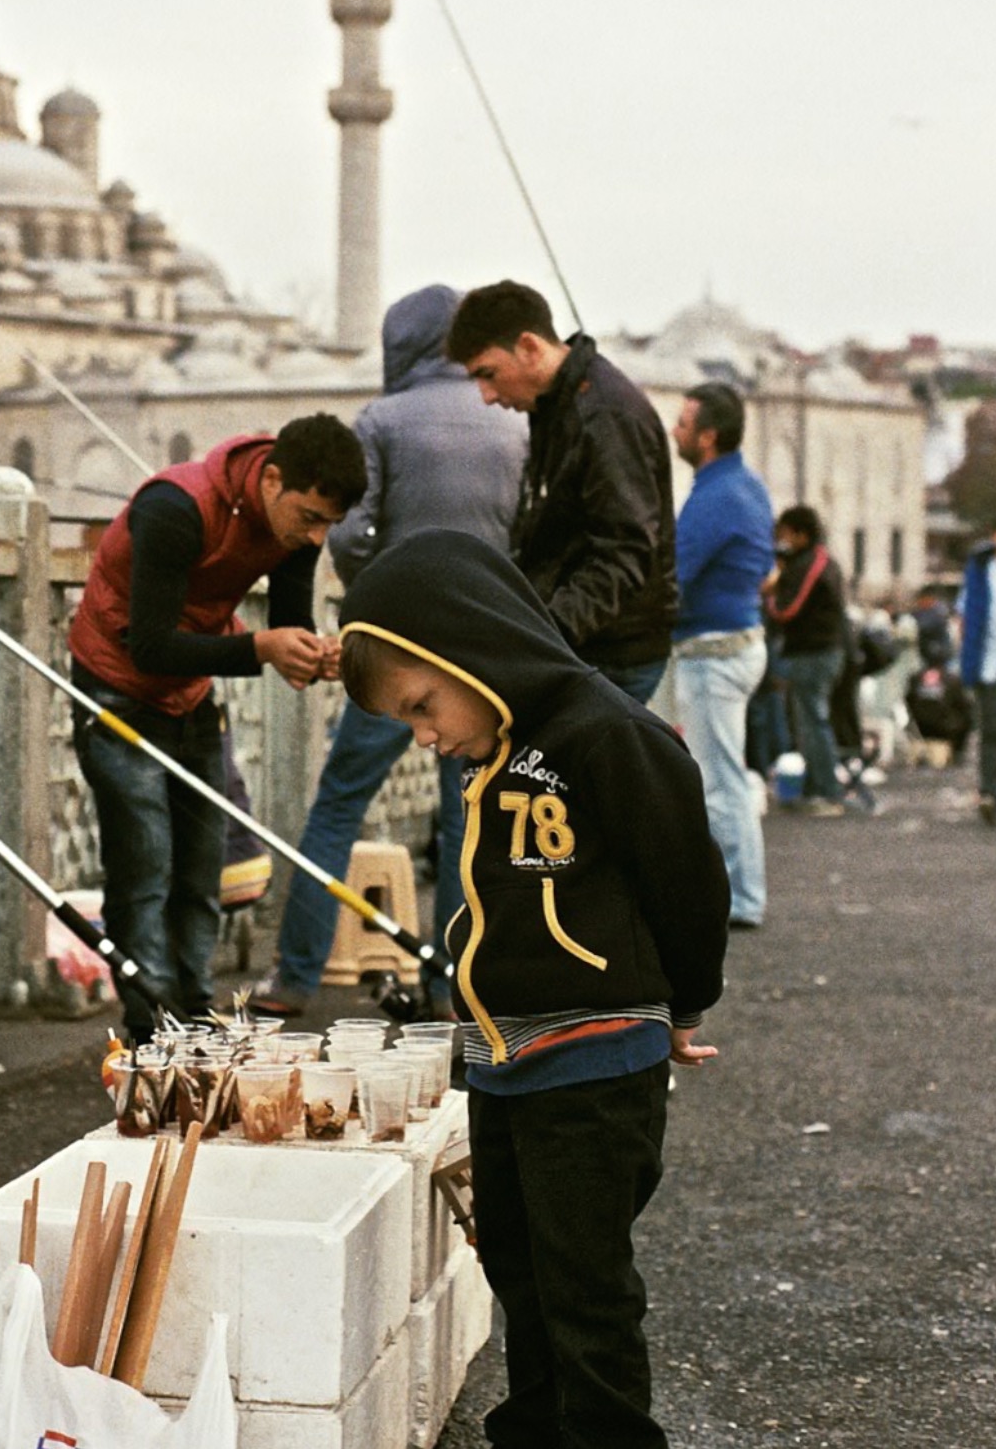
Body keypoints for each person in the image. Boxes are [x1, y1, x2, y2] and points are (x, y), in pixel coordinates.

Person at [338, 530, 729, 1449]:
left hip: (598, 1054)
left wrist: (683, 1001)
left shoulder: (606, 732)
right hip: (506, 1058)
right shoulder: (495, 753)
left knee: (584, 1277)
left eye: (424, 704)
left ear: (470, 649)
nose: (425, 735)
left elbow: (687, 878)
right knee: (518, 1263)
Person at [253, 284, 527, 1018]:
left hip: (398, 643)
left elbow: (346, 534)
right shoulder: (511, 421)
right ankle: (452, 984)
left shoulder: (382, 419)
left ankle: (295, 977)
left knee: (340, 801)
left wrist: (375, 591)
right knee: (467, 816)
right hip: (484, 645)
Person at [68, 414, 367, 1040]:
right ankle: (153, 1028)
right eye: (311, 518)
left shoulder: (294, 526)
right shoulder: (175, 506)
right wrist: (262, 649)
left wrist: (313, 657)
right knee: (144, 869)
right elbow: (151, 645)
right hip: (115, 688)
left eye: (329, 525)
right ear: (273, 480)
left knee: (203, 871)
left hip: (190, 693)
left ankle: (196, 1016)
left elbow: (285, 626)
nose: (316, 537)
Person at [445, 281, 676, 704]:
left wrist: (544, 632)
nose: (487, 396)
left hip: (609, 652)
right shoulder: (557, 405)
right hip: (582, 643)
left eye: (488, 374)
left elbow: (624, 551)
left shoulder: (604, 415)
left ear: (529, 348)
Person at [669, 382, 775, 930]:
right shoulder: (746, 487)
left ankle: (740, 898)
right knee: (726, 775)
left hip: (713, 651)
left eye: (683, 423)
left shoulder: (714, 498)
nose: (675, 431)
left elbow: (673, 575)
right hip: (738, 643)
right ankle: (738, 892)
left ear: (707, 436)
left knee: (720, 781)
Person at [762, 505, 848, 815]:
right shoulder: (816, 561)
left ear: (802, 534)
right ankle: (815, 788)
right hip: (816, 651)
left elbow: (787, 609)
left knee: (813, 723)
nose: (781, 540)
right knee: (808, 722)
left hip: (815, 652)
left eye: (785, 534)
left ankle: (827, 792)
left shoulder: (813, 564)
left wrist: (771, 592)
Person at [959, 515, 996, 825]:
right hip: (989, 662)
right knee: (991, 729)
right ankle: (987, 791)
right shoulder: (981, 569)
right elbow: (966, 614)